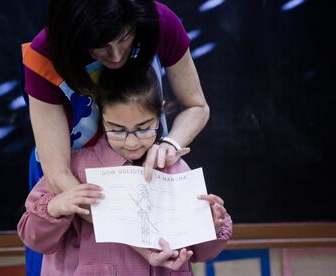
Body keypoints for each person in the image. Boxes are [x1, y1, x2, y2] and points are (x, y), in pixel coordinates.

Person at [21, 0, 209, 274]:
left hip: (146, 172)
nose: (117, 55)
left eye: (125, 39)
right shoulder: (45, 53)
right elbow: (59, 175)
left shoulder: (160, 22)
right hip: (72, 181)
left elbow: (197, 106)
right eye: (101, 46)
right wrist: (143, 245)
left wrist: (170, 143)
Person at [18, 67, 232, 276]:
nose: (131, 142)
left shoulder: (174, 170)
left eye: (143, 128)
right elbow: (34, 239)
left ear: (160, 113)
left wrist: (210, 226)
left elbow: (201, 252)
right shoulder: (71, 169)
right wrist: (56, 207)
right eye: (118, 130)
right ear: (102, 117)